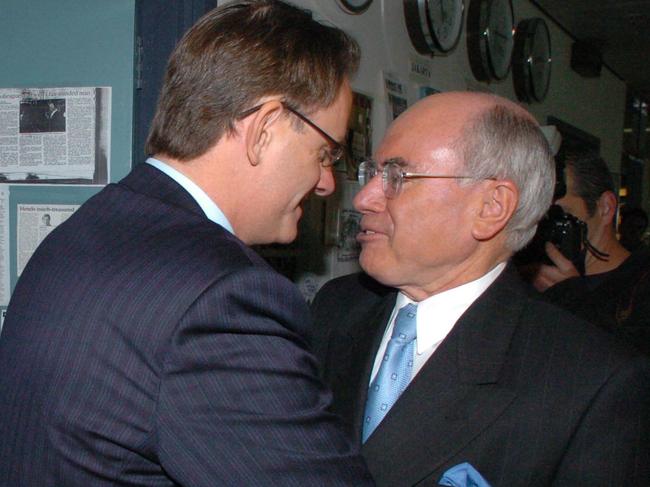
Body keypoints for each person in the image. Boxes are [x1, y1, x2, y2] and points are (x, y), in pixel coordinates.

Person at [0, 2, 373, 485]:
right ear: (264, 129)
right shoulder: (226, 297)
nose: (327, 183)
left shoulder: (91, 225)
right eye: (325, 153)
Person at [311, 91, 650, 486]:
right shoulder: (336, 307)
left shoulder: (592, 383)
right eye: (374, 173)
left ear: (491, 207)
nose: (365, 198)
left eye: (397, 177)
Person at [534, 156, 650, 354]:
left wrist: (574, 297)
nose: (548, 226)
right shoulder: (525, 274)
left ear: (605, 207)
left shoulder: (641, 283)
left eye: (559, 214)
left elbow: (634, 371)